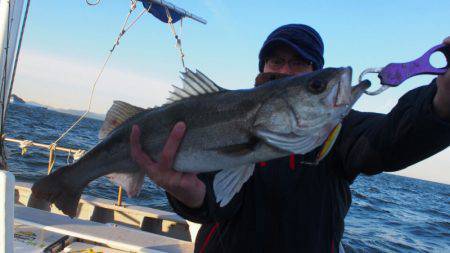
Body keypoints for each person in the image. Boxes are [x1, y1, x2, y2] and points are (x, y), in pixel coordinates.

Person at [130, 24, 450, 252]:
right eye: (277, 61)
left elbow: (388, 141)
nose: (285, 70)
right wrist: (191, 197)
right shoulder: (224, 121)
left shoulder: (341, 130)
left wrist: (441, 102)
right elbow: (214, 204)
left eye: (299, 63)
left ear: (314, 71)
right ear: (263, 68)